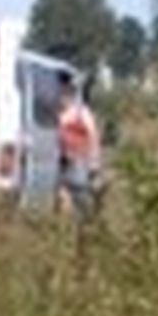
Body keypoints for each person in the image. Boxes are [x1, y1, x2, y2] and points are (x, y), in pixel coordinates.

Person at [55, 69, 101, 218]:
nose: (63, 94)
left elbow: (93, 139)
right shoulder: (57, 113)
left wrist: (94, 166)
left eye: (66, 90)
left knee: (79, 198)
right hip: (59, 162)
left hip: (78, 162)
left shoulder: (82, 113)